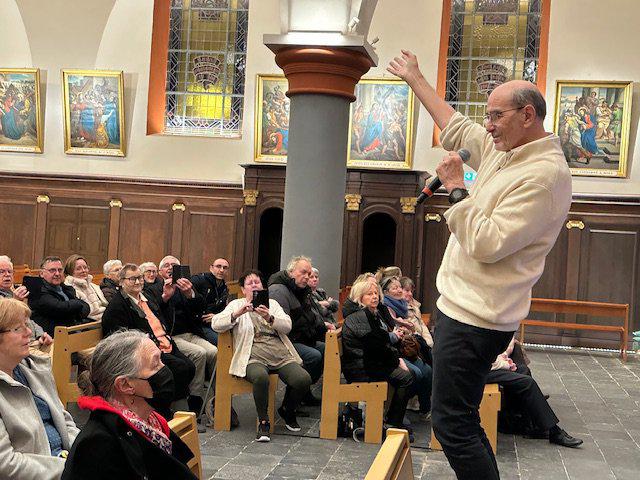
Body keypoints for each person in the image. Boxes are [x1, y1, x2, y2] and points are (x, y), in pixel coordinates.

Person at [388, 50, 572, 479]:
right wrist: (415, 78)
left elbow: (487, 243)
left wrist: (456, 188)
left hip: (477, 319)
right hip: (464, 310)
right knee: (461, 420)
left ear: (528, 115)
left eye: (495, 116)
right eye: (487, 116)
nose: (487, 125)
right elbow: (455, 125)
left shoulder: (544, 176)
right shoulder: (507, 148)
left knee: (451, 424)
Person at [61, 330, 198, 480]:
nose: (165, 370)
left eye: (161, 360)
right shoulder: (98, 445)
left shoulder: (151, 421)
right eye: (155, 365)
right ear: (125, 385)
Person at [212, 270, 311, 441]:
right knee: (260, 377)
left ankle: (288, 410)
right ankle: (263, 421)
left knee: (303, 379)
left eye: (257, 282)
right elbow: (216, 323)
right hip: (252, 355)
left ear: (263, 287)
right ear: (243, 289)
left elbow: (287, 326)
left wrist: (270, 317)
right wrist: (237, 314)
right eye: (249, 283)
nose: (254, 286)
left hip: (278, 353)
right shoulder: (237, 304)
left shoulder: (272, 303)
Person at [101, 263, 195, 420]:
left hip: (164, 343)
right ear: (122, 282)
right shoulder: (117, 306)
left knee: (189, 366)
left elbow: (160, 316)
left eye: (139, 278)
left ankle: (176, 408)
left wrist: (165, 299)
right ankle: (166, 413)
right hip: (143, 351)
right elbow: (119, 339)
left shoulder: (147, 298)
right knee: (179, 369)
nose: (138, 282)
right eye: (132, 279)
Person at [0, 298, 80, 480]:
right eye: (18, 328)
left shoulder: (33, 370)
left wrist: (85, 451)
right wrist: (71, 468)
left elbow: (65, 421)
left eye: (27, 325)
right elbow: (6, 465)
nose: (29, 332)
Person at [144, 256, 214, 417]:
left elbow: (201, 307)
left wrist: (190, 294)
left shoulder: (186, 285)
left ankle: (216, 399)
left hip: (191, 333)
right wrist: (165, 298)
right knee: (199, 353)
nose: (170, 268)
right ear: (160, 271)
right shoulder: (153, 288)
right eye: (166, 265)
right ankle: (195, 398)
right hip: (172, 336)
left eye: (174, 265)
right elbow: (154, 314)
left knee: (214, 352)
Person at [341, 280, 414, 434]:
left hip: (370, 362)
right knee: (406, 378)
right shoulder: (360, 317)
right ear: (360, 297)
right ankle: (393, 424)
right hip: (361, 367)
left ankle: (394, 419)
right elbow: (376, 347)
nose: (374, 297)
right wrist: (396, 361)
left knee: (408, 374)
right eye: (369, 294)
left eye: (375, 293)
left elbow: (381, 344)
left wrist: (396, 359)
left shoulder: (371, 313)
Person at [486, 338, 583, 448]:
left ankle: (525, 423)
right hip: (480, 372)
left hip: (487, 366)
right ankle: (554, 431)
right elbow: (482, 358)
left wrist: (503, 358)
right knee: (527, 383)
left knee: (523, 370)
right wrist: (506, 364)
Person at [268, 256, 328, 406]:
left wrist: (321, 326)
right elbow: (282, 326)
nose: (307, 277)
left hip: (300, 337)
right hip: (283, 341)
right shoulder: (278, 290)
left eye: (309, 274)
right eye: (303, 272)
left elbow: (310, 314)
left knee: (327, 349)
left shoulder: (301, 290)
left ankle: (304, 392)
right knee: (313, 356)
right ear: (291, 272)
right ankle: (291, 401)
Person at [381, 276, 432, 419]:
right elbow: (387, 333)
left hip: (403, 347)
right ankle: (398, 412)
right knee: (416, 373)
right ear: (385, 292)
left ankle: (425, 409)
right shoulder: (386, 307)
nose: (399, 290)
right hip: (394, 352)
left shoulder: (402, 305)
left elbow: (414, 327)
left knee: (428, 370)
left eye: (399, 287)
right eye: (395, 288)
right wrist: (401, 329)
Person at [29, 256, 91, 337]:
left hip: (73, 331)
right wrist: (77, 304)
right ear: (42, 274)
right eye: (52, 270)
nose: (57, 274)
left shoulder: (66, 288)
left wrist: (73, 308)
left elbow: (86, 308)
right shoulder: (37, 291)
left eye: (60, 270)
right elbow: (59, 308)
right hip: (53, 337)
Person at [191, 257, 231, 346]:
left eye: (225, 268)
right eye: (218, 266)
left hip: (214, 323)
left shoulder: (224, 288)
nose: (221, 270)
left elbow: (223, 310)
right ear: (211, 268)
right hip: (198, 323)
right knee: (220, 342)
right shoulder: (200, 280)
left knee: (231, 338)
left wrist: (216, 316)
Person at [63, 254, 108, 321]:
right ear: (70, 271)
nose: (83, 270)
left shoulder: (93, 286)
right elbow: (89, 313)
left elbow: (104, 304)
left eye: (85, 267)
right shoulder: (69, 288)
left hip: (103, 318)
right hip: (89, 323)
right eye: (78, 269)